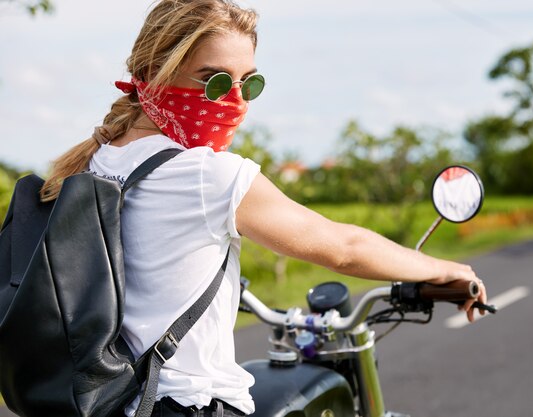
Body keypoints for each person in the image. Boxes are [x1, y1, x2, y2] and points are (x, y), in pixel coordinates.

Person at [40, 1, 488, 416]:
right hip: (190, 402)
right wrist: (443, 269)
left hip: (110, 401)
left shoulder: (95, 162)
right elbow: (343, 247)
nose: (235, 101)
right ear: (156, 72)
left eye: (249, 83)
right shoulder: (205, 174)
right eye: (214, 81)